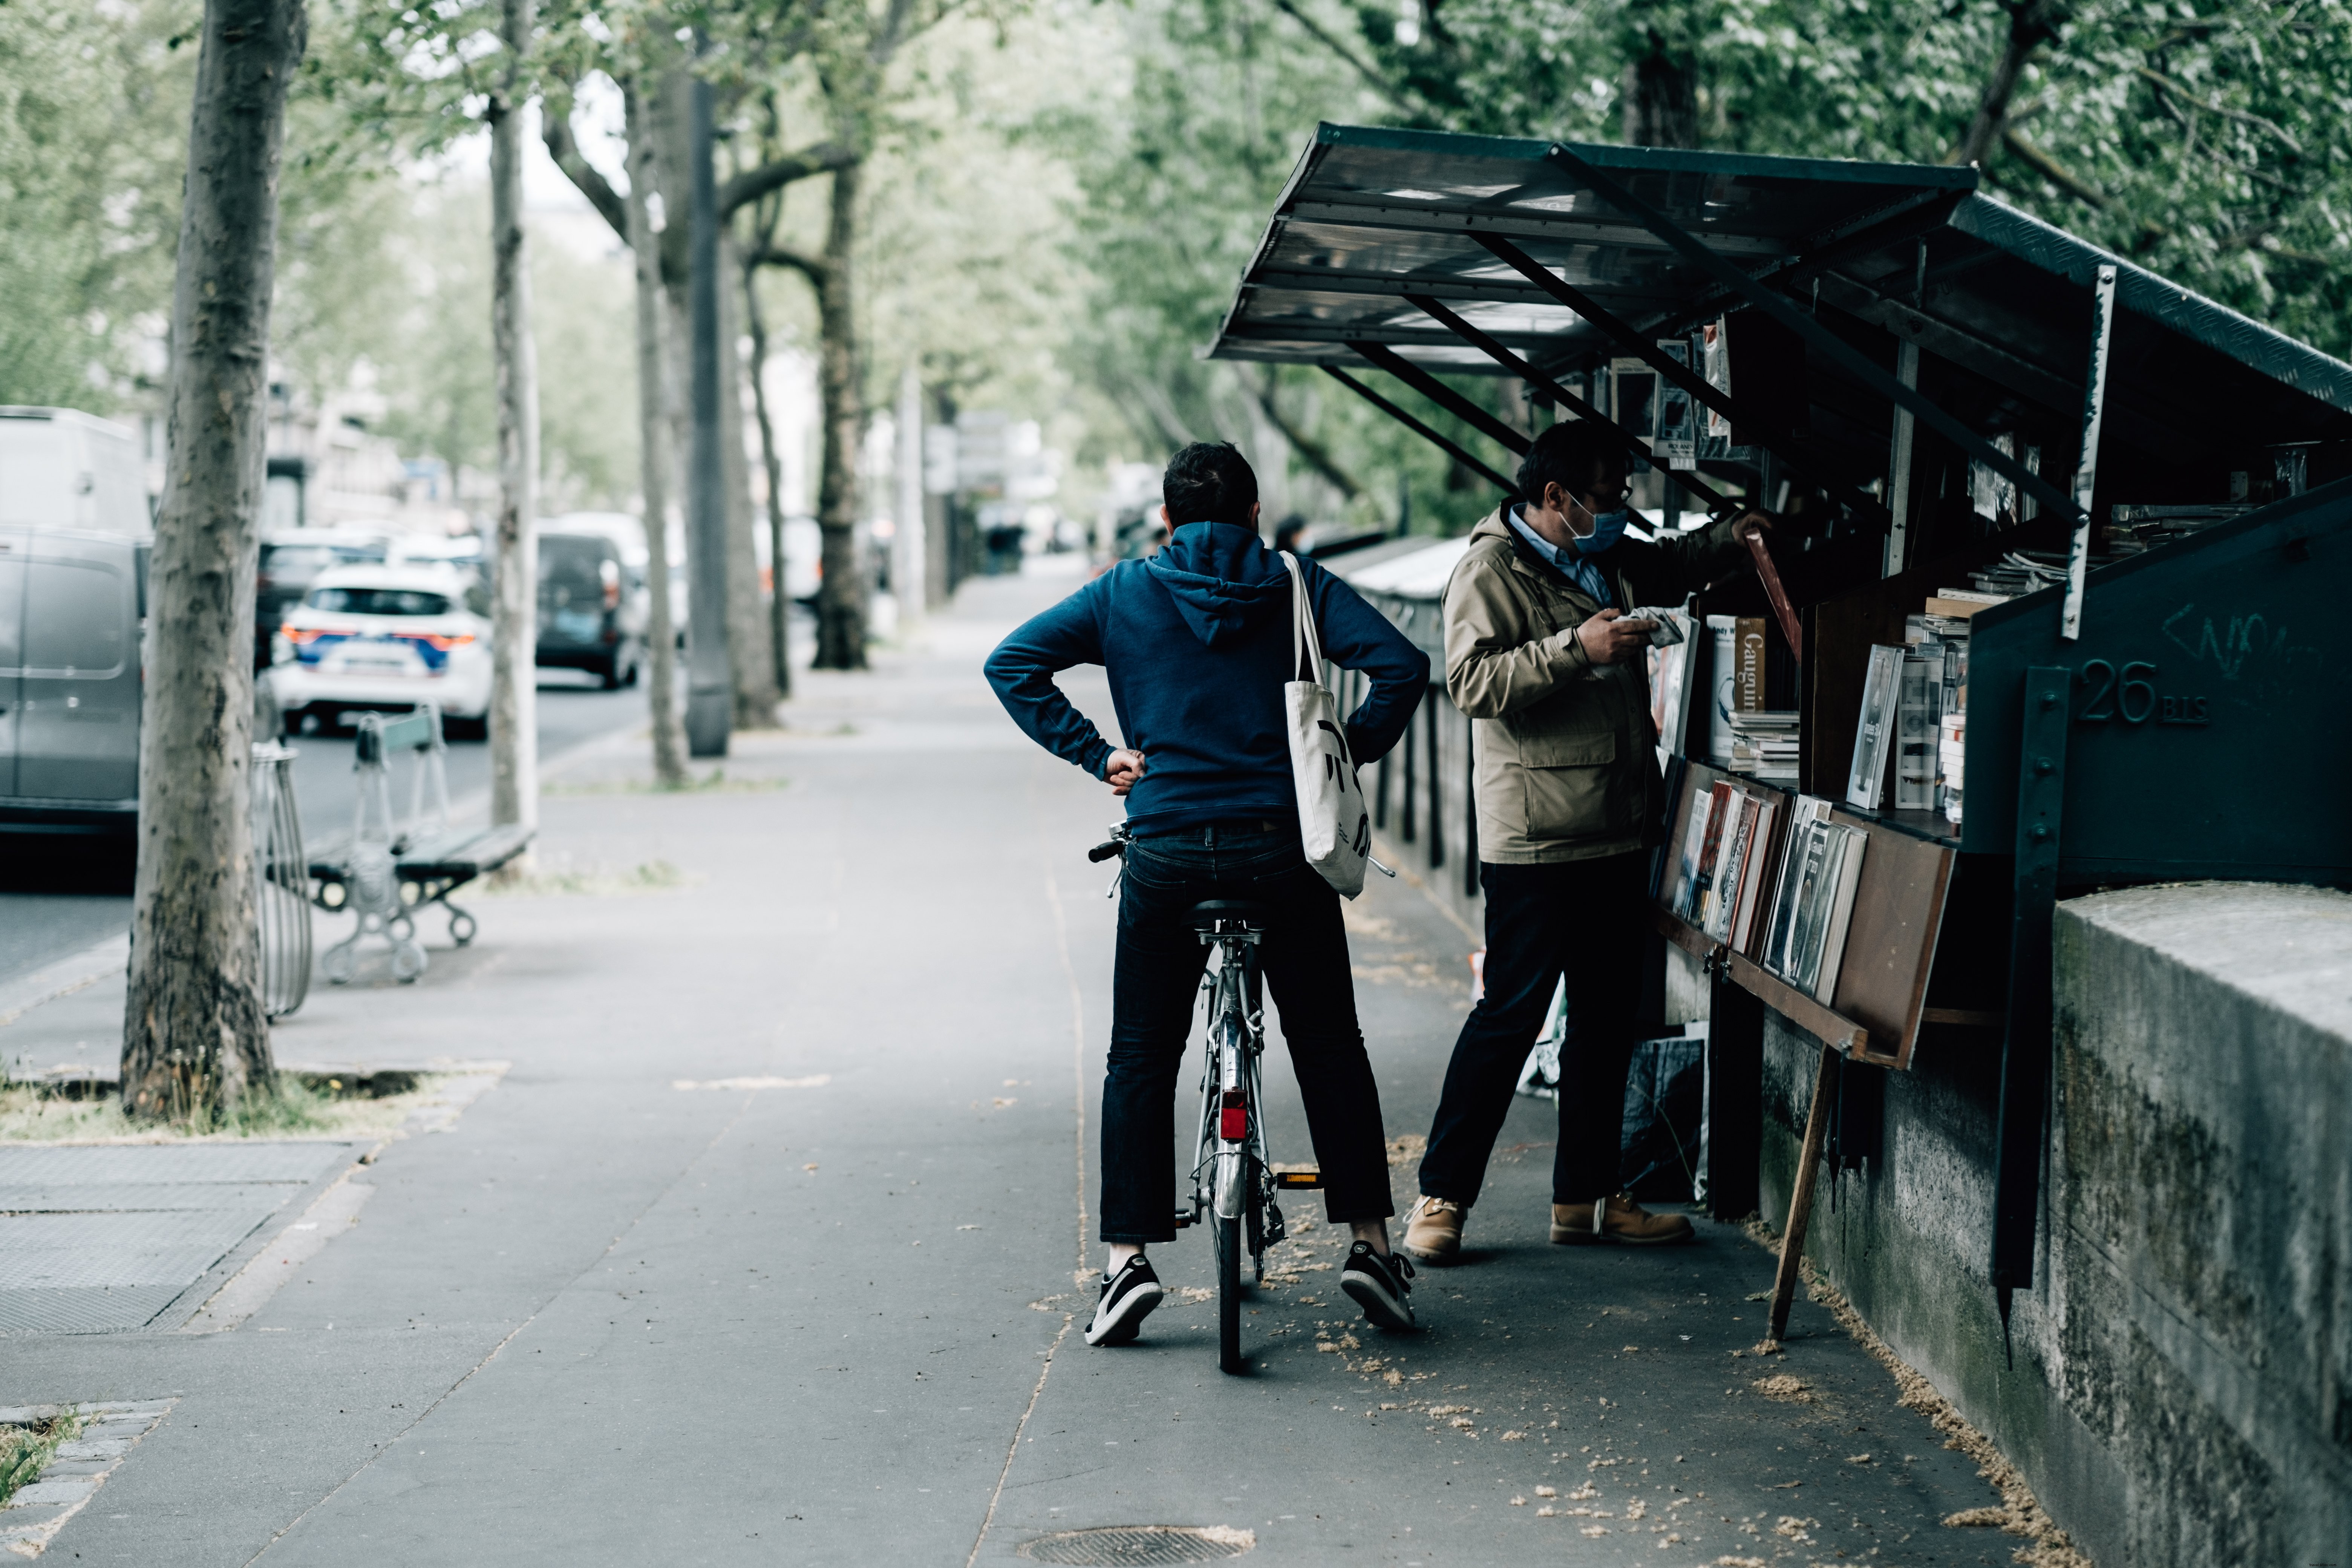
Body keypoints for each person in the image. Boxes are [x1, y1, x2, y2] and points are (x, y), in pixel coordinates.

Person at [985, 442, 1432, 1346]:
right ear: (1257, 514)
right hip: (1284, 850)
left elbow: (1013, 663)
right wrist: (1344, 751)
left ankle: (1124, 1266)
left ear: (1167, 520)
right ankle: (1372, 1246)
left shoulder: (1123, 591)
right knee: (1330, 1045)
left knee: (1142, 1054)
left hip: (1166, 850)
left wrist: (1098, 753)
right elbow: (1405, 666)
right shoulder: (1298, 585)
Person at [1402, 421, 1773, 1264]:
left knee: (1607, 1021)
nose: (1622, 512)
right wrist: (1580, 646)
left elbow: (1673, 564)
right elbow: (1471, 682)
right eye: (1609, 497)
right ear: (1556, 497)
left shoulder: (1603, 556)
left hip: (1616, 825)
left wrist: (1739, 533)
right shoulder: (1489, 569)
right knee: (1509, 1017)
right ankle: (1442, 1195)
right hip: (1535, 837)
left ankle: (1589, 1195)